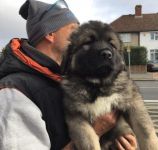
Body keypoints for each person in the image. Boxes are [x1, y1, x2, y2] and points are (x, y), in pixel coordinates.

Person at [0, 0, 137, 149]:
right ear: (50, 34)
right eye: (74, 30)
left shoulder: (68, 79)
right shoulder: (14, 91)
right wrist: (95, 131)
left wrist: (116, 140)